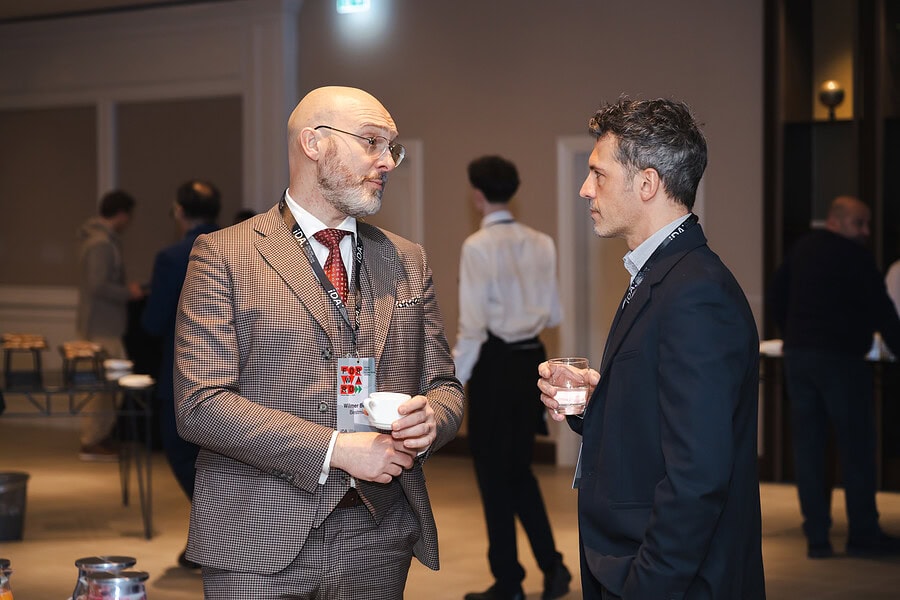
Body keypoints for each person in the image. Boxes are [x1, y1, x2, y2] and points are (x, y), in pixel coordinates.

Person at [173, 85, 464, 599]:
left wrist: (431, 422)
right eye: (372, 142)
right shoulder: (224, 255)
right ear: (313, 143)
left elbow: (444, 385)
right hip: (255, 535)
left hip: (377, 538)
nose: (387, 161)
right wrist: (337, 449)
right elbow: (200, 405)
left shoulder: (407, 259)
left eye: (391, 148)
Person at [537, 97, 765, 599]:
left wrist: (647, 583)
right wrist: (596, 402)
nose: (585, 188)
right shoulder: (664, 274)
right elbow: (667, 417)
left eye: (598, 174)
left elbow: (698, 475)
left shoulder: (696, 293)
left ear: (646, 184)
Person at [454, 155, 570, 600]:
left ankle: (509, 582)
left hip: (494, 364)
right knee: (518, 471)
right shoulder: (543, 242)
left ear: (477, 195)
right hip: (531, 364)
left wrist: (449, 382)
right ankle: (552, 568)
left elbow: (472, 328)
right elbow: (554, 313)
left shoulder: (477, 246)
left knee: (492, 475)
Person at [768, 195, 900, 558]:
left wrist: (794, 332)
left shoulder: (802, 249)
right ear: (836, 221)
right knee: (857, 448)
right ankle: (863, 534)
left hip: (800, 358)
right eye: (860, 223)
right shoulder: (856, 257)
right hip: (842, 360)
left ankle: (817, 537)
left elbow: (777, 294)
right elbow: (882, 309)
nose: (866, 231)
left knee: (809, 449)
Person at [141, 179, 221, 570]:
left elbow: (153, 322)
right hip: (237, 375)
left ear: (180, 211)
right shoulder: (241, 248)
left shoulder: (173, 256)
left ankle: (219, 531)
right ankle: (209, 536)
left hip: (183, 373)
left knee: (180, 452)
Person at [76, 189, 145, 461]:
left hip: (104, 324)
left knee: (107, 388)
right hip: (101, 327)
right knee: (102, 390)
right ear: (122, 214)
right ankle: (91, 441)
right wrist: (129, 292)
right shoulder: (101, 243)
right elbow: (97, 286)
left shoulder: (100, 239)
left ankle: (99, 437)